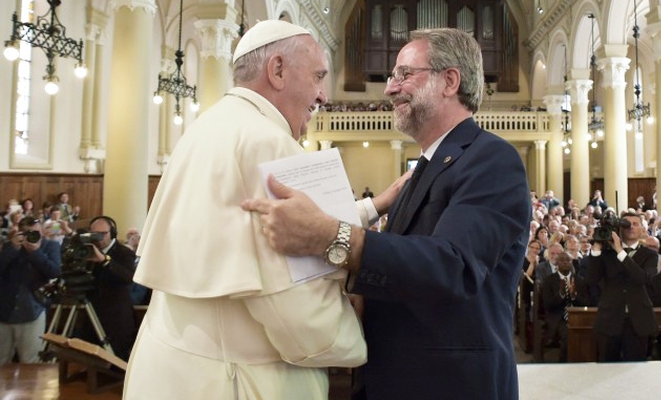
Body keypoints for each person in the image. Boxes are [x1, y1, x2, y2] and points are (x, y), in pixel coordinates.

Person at [242, 28, 531, 399]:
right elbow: (404, 274)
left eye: (404, 74)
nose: (389, 89)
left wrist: (334, 237)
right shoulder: (423, 170)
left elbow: (453, 265)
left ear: (450, 81)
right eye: (392, 76)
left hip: (450, 384)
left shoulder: (490, 159)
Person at [125, 21, 405, 399]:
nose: (322, 95)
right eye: (318, 76)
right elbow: (295, 306)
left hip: (172, 369)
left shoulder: (208, 125)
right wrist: (360, 338)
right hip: (235, 380)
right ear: (277, 70)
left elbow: (242, 233)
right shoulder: (268, 142)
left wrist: (374, 205)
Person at [585, 211, 658, 362]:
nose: (630, 227)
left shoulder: (649, 254)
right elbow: (592, 279)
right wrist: (596, 249)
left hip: (638, 320)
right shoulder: (606, 254)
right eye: (626, 224)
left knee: (636, 367)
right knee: (606, 365)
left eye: (635, 224)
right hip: (610, 318)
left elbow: (642, 278)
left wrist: (619, 250)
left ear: (642, 230)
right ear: (619, 229)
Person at [0, 217, 60, 364]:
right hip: (5, 311)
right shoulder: (10, 246)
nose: (33, 236)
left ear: (42, 231)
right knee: (2, 359)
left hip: (33, 309)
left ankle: (30, 388)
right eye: (28, 232)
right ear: (20, 232)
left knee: (30, 361)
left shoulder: (50, 245)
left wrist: (36, 252)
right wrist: (12, 248)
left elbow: (54, 271)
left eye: (36, 232)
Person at [79, 216, 137, 361]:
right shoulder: (85, 252)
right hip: (90, 312)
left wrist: (104, 260)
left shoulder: (124, 253)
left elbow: (127, 278)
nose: (97, 238)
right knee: (90, 359)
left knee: (115, 362)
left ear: (112, 233)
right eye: (94, 234)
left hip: (115, 318)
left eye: (102, 234)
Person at [541, 251, 588, 361]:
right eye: (562, 260)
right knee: (568, 333)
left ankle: (584, 361)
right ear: (557, 263)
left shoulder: (580, 280)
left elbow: (587, 302)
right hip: (558, 317)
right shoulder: (549, 280)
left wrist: (574, 295)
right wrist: (561, 294)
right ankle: (564, 364)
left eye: (568, 260)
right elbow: (547, 305)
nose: (566, 262)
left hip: (578, 316)